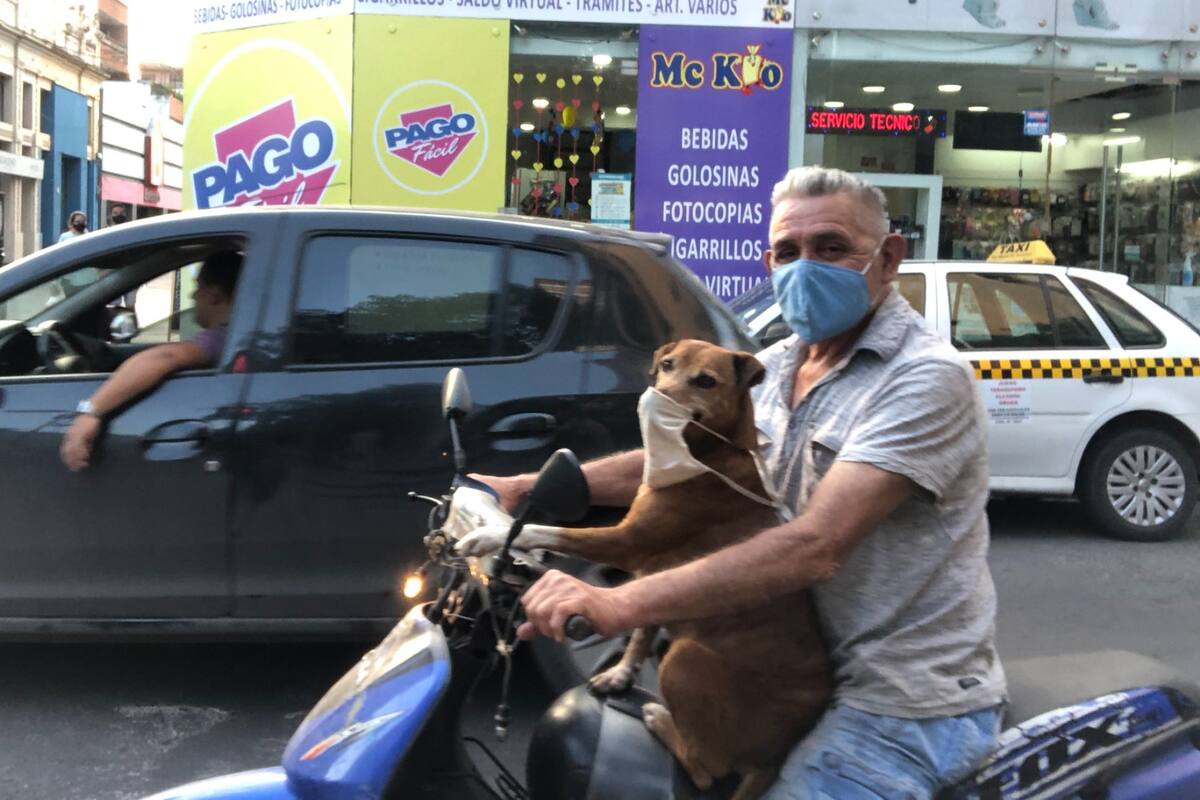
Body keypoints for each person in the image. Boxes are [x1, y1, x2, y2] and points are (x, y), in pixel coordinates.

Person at [473, 166, 1006, 798]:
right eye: (789, 252)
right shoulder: (775, 366)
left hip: (900, 704)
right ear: (769, 263)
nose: (806, 267)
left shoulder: (923, 377)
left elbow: (817, 546)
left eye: (831, 247)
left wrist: (621, 603)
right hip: (785, 677)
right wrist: (524, 488)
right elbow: (686, 465)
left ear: (888, 257)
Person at [60, 250, 243, 472]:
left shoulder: (219, 338)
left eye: (198, 287)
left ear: (214, 295)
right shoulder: (233, 335)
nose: (193, 295)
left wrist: (90, 412)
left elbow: (164, 357)